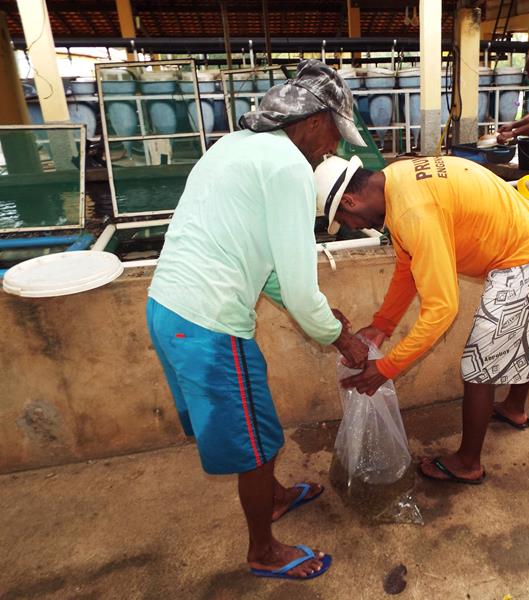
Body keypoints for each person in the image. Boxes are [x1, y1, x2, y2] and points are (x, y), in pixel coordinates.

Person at [146, 60, 369, 581]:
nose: (334, 147)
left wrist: (319, 318)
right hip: (209, 324)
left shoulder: (233, 146)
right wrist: (342, 338)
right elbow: (300, 290)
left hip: (169, 309)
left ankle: (275, 497)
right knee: (256, 443)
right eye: (335, 133)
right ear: (314, 121)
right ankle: (263, 551)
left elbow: (265, 270)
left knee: (252, 421)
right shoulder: (289, 168)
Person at [314, 154, 529, 485]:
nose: (352, 226)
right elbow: (409, 264)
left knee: (478, 369)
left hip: (527, 262)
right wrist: (382, 324)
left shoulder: (412, 212)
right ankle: (513, 408)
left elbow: (442, 309)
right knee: (525, 333)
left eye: (344, 219)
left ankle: (468, 463)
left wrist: (386, 368)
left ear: (350, 201)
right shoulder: (396, 179)